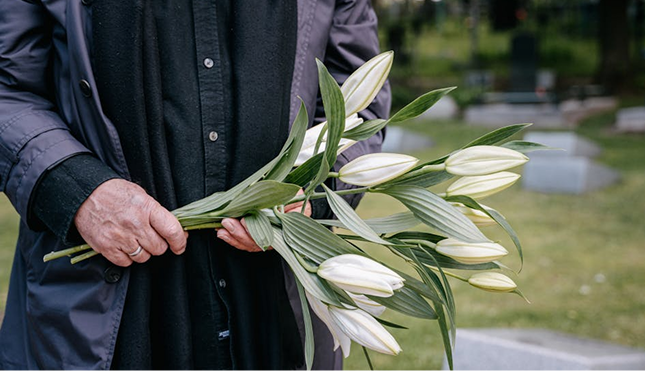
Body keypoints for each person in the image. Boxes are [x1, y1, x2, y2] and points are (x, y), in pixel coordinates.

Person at [0, 0, 390, 370]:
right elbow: (8, 88)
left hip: (274, 303)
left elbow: (355, 100)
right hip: (102, 309)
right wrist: (76, 189)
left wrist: (312, 195)